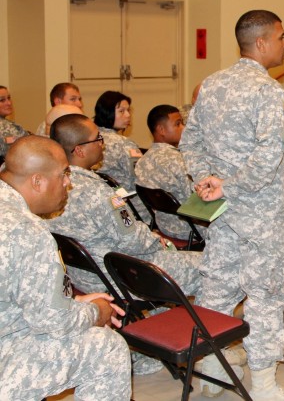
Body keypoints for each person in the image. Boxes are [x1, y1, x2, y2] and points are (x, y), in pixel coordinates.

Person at [180, 10, 284, 400]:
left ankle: (209, 367)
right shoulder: (268, 91)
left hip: (221, 213)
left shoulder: (213, 84)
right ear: (263, 42)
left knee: (217, 286)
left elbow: (190, 143)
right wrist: (229, 187)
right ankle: (266, 387)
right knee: (265, 296)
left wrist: (208, 183)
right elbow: (270, 158)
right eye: (282, 37)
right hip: (260, 216)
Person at [46, 113, 208, 376]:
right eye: (97, 138)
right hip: (129, 274)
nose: (103, 143)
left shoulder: (50, 190)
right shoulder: (96, 191)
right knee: (214, 267)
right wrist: (161, 243)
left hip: (89, 278)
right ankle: (205, 349)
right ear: (79, 149)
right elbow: (134, 240)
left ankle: (148, 344)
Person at [0, 135, 131, 400]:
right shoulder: (27, 230)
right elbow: (53, 323)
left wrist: (72, 301)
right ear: (38, 181)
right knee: (107, 347)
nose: (68, 184)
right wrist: (96, 311)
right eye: (64, 175)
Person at [135, 104, 195, 242]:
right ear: (161, 130)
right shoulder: (179, 160)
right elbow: (194, 201)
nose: (183, 128)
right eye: (178, 124)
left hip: (164, 225)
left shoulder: (143, 160)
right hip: (189, 228)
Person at [93, 90, 148, 222]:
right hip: (131, 207)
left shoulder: (90, 137)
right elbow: (141, 178)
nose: (128, 115)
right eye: (121, 111)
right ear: (107, 113)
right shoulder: (124, 144)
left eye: (128, 110)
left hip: (101, 206)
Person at [0, 85, 30, 159]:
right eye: (2, 100)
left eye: (9, 98)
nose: (9, 103)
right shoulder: (4, 126)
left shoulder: (7, 123)